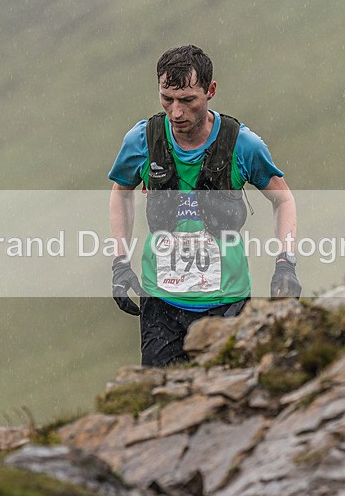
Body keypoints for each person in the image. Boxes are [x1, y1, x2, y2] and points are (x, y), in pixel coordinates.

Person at [109, 45, 300, 367]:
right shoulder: (142, 141)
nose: (176, 112)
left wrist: (286, 262)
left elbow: (283, 199)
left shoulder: (243, 144)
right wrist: (119, 263)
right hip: (161, 303)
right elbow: (120, 194)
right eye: (167, 99)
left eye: (187, 100)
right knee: (160, 403)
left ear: (210, 91)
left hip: (227, 302)